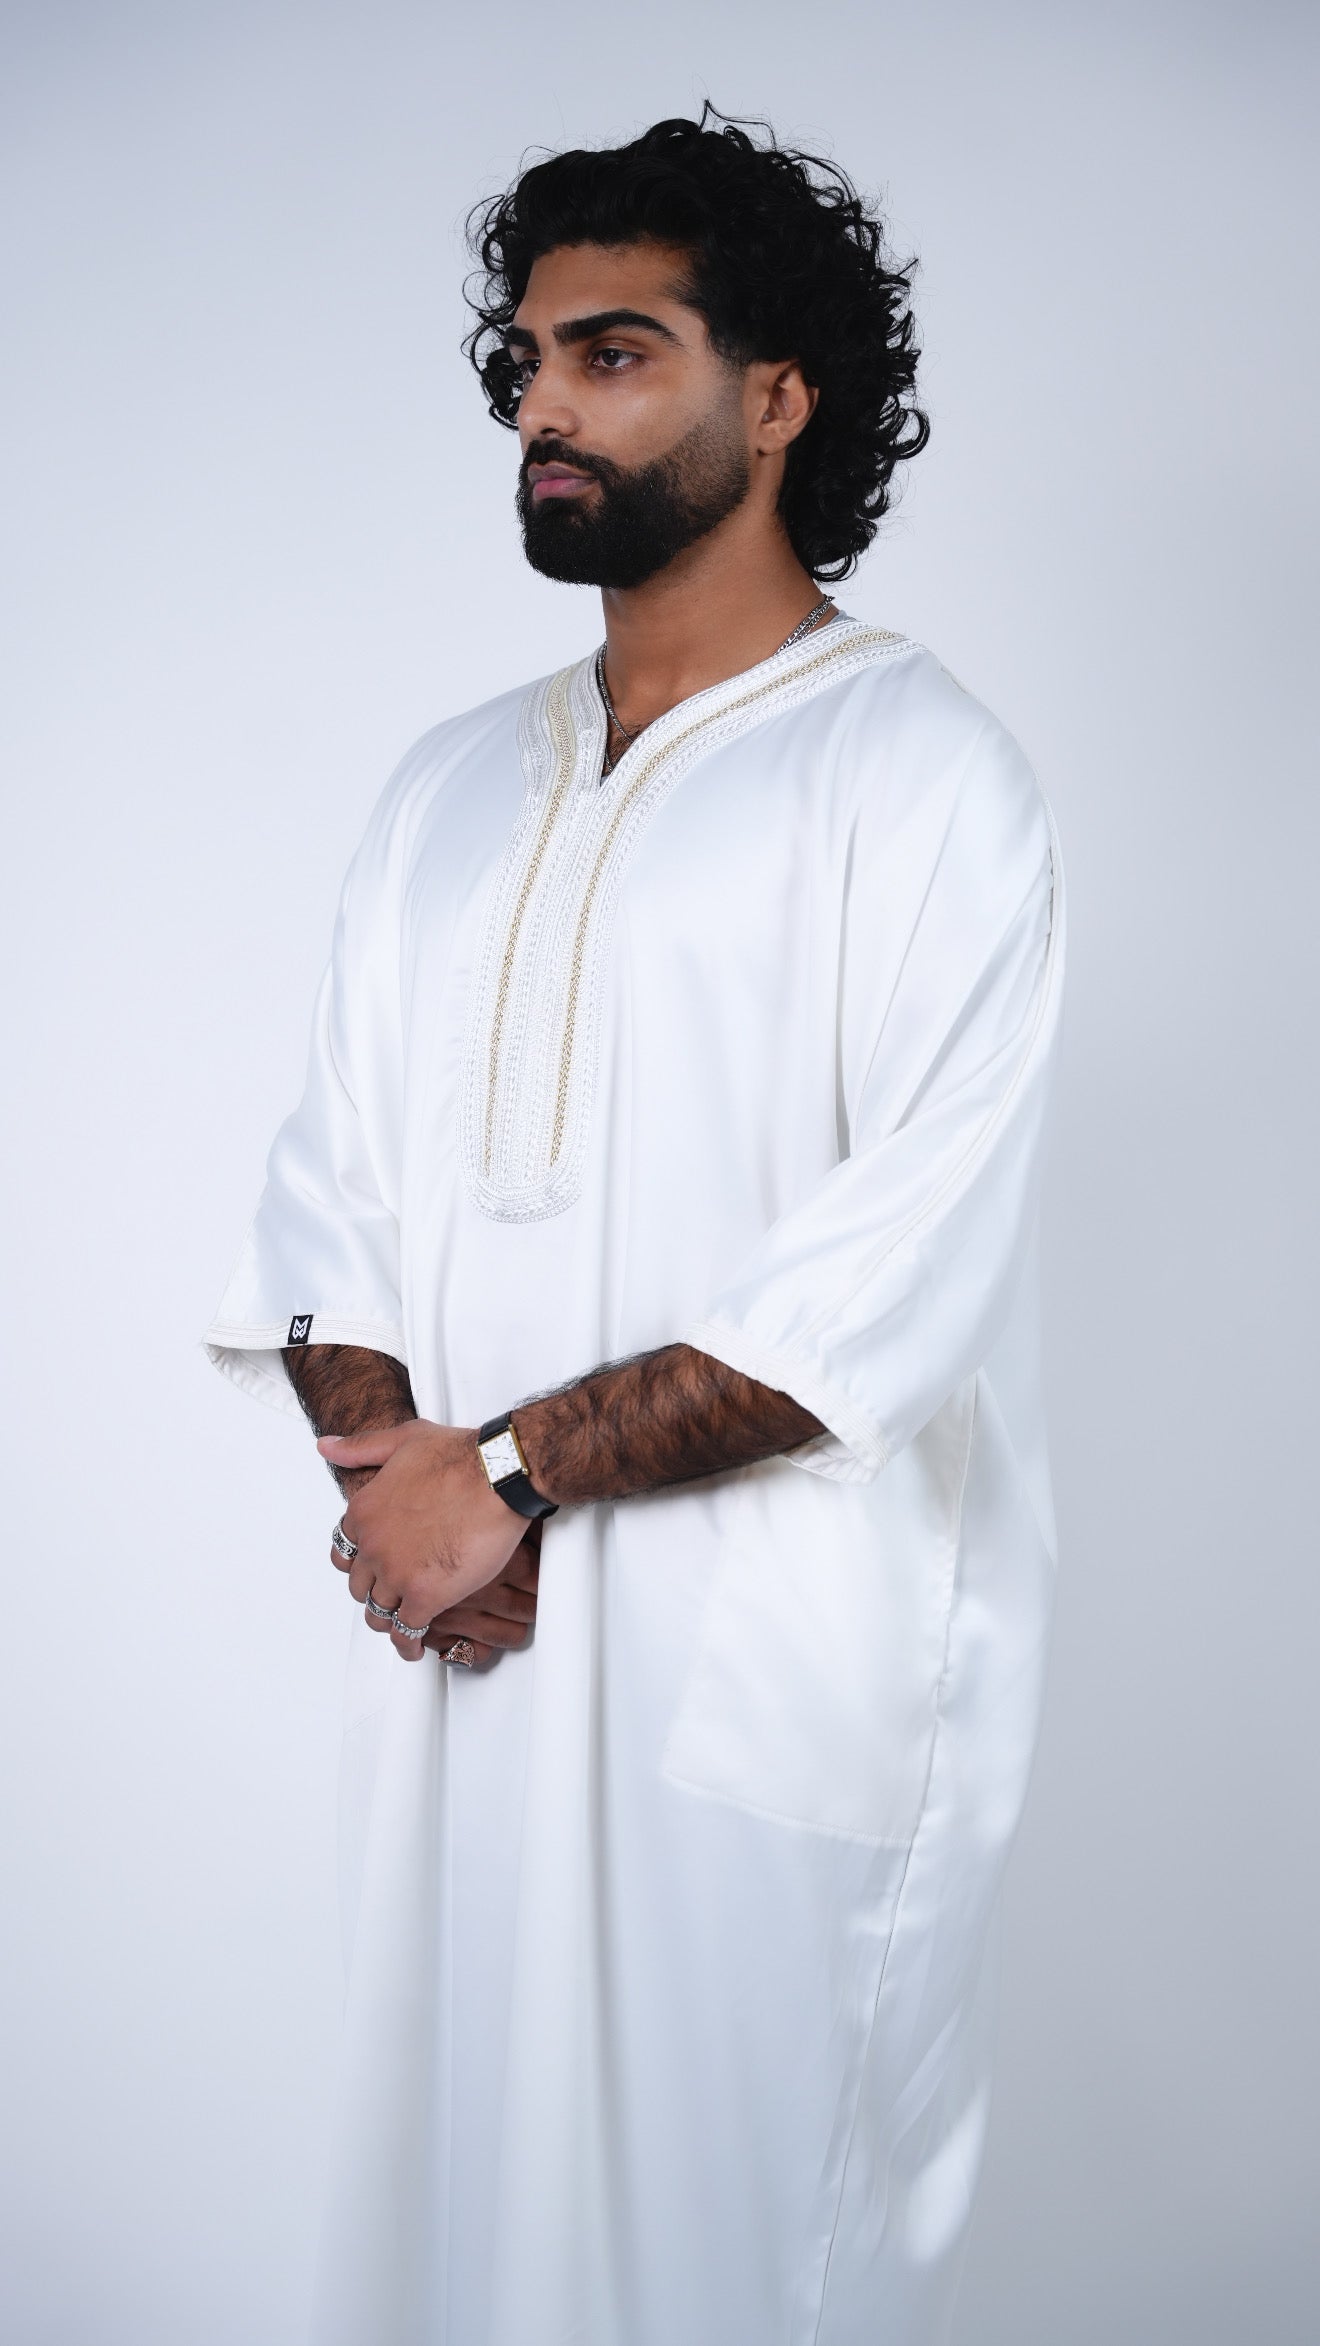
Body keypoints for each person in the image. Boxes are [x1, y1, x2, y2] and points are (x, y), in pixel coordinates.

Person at [206, 104, 1065, 2346]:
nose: (544, 409)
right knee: (458, 2239)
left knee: (736, 2262)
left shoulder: (921, 776)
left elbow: (885, 1279)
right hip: (467, 1661)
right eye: (528, 361)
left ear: (777, 400)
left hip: (758, 1675)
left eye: (614, 354)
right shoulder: (445, 783)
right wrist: (399, 1490)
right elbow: (326, 1192)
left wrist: (492, 1478)